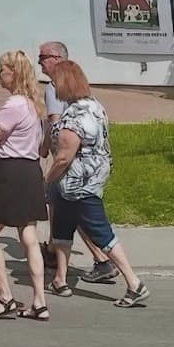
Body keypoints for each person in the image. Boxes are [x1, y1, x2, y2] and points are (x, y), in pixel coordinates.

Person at [45, 59, 150, 309]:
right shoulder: (94, 106)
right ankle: (60, 280)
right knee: (62, 227)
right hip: (79, 183)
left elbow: (63, 156)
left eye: (55, 82)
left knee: (101, 232)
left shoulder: (76, 115)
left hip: (80, 184)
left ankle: (134, 284)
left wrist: (46, 179)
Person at [0, 50, 50, 321]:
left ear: (14, 73)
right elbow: (42, 143)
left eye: (3, 69)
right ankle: (39, 302)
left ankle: (5, 297)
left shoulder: (15, 104)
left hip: (13, 174)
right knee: (29, 237)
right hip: (31, 172)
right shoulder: (34, 103)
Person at [36, 41, 117, 285]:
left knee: (71, 209)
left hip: (69, 159)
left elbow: (54, 122)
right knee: (70, 211)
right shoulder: (77, 85)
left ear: (57, 58)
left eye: (43, 56)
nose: (39, 61)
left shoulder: (54, 86)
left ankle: (102, 260)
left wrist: (43, 149)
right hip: (87, 160)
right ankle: (62, 263)